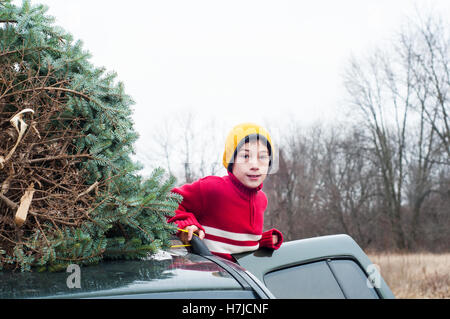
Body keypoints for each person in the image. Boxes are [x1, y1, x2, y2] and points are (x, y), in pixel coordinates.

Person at [167, 122, 283, 262]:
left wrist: (262, 241)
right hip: (205, 276)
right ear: (231, 161)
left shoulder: (261, 200)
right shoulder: (213, 188)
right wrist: (187, 225)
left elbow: (234, 246)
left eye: (263, 157)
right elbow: (168, 202)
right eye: (245, 156)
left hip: (237, 279)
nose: (254, 165)